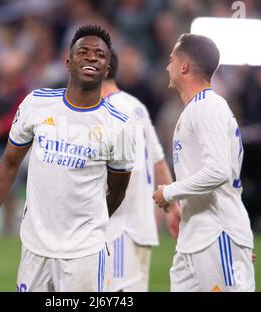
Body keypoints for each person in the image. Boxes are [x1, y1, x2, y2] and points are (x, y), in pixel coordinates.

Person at [0, 25, 136, 292]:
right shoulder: (36, 104)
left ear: (107, 69)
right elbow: (9, 164)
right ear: (68, 62)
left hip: (84, 252)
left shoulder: (119, 124)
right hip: (34, 247)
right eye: (83, 52)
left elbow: (118, 189)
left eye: (99, 55)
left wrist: (89, 226)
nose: (91, 58)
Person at [153, 33, 255, 292]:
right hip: (197, 237)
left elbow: (218, 171)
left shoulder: (207, 107)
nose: (167, 66)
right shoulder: (199, 108)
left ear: (184, 67)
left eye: (171, 60)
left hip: (215, 232)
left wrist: (170, 192)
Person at [101, 49, 180, 292]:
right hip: (136, 226)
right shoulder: (136, 106)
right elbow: (157, 161)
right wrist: (172, 207)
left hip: (118, 228)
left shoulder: (106, 110)